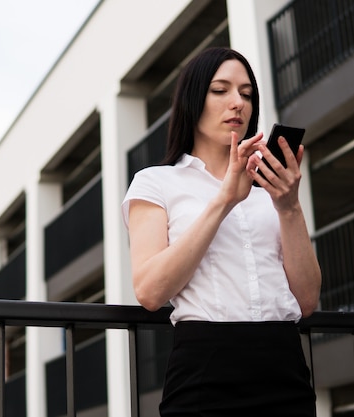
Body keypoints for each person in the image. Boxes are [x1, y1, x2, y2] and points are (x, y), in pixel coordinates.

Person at [122, 47, 322, 416]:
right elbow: (149, 291)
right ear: (193, 99)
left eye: (246, 94)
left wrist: (289, 206)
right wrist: (225, 200)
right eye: (221, 90)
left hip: (284, 365)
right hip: (205, 367)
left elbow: (307, 300)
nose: (238, 104)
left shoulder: (270, 192)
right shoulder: (156, 182)